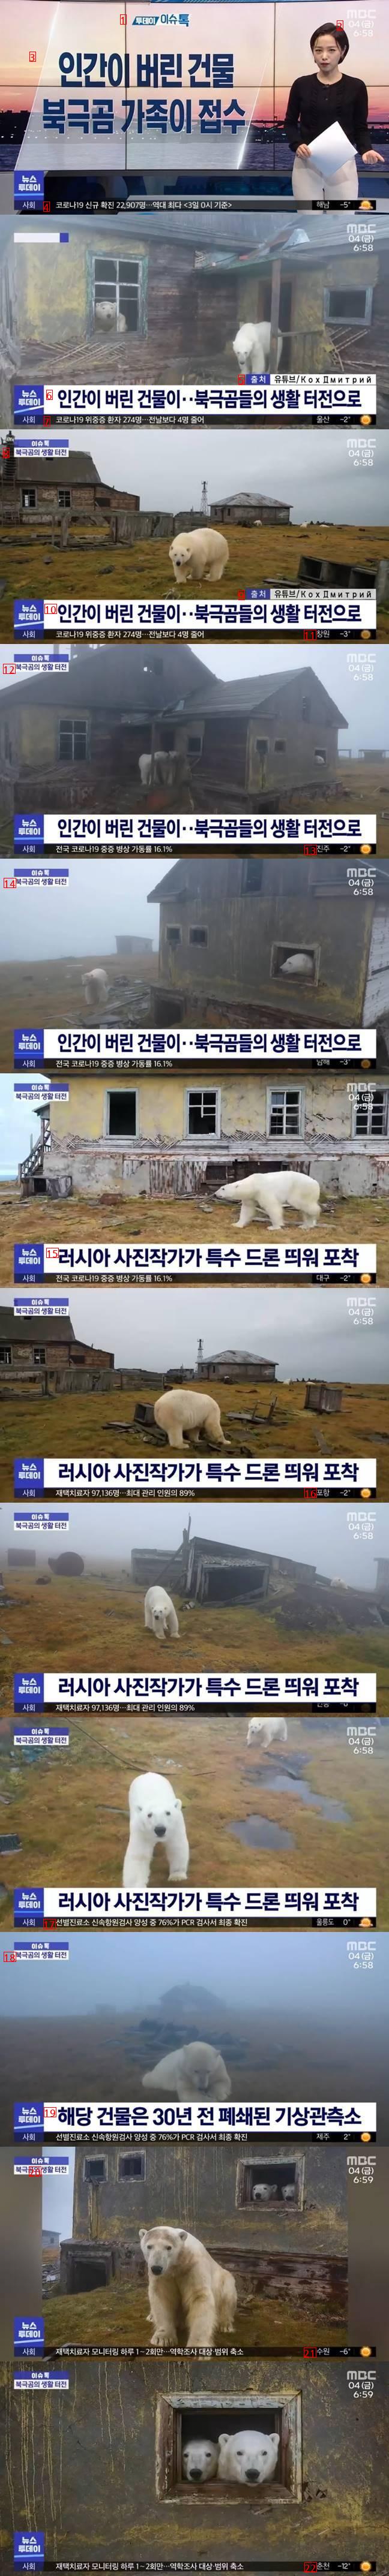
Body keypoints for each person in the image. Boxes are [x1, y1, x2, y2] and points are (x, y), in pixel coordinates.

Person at [285, 22, 384, 203]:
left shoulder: (357, 86)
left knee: (341, 221)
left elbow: (360, 127)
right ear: (313, 53)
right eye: (318, 50)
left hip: (342, 164)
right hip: (306, 164)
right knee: (308, 222)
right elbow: (290, 123)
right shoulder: (301, 85)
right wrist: (297, 144)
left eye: (331, 50)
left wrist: (366, 150)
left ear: (343, 51)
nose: (324, 57)